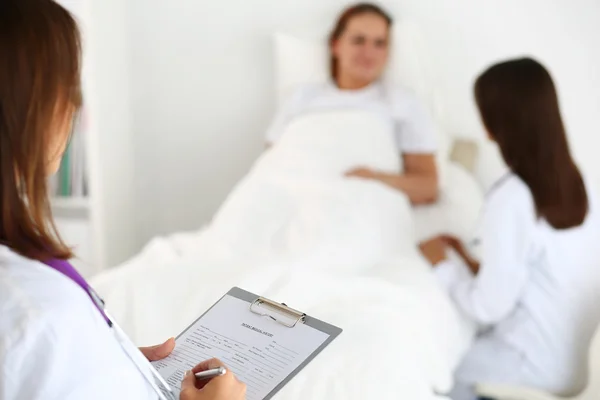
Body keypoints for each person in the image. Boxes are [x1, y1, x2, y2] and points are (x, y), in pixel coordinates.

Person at [0, 1, 245, 399]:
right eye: (66, 86)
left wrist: (112, 364)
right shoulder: (36, 312)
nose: (75, 106)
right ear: (25, 103)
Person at [419, 58, 600, 400]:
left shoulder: (513, 199)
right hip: (578, 364)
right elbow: (539, 274)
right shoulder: (585, 183)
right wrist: (473, 264)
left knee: (434, 370)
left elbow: (489, 308)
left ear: (491, 125)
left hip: (531, 366)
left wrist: (441, 266)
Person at [265, 3, 439, 204]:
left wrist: (373, 179)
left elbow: (427, 188)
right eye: (358, 40)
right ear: (336, 45)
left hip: (362, 202)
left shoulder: (402, 103)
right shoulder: (301, 98)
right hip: (300, 197)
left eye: (379, 43)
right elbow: (271, 167)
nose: (368, 52)